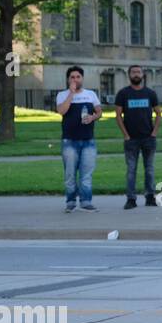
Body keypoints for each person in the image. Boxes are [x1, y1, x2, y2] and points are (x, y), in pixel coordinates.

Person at [114, 65, 162, 210]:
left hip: (148, 138)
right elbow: (118, 115)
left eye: (138, 72)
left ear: (142, 75)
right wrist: (126, 135)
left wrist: (154, 133)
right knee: (131, 170)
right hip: (131, 140)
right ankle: (131, 199)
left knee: (149, 169)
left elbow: (159, 113)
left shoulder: (150, 93)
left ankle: (150, 197)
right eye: (133, 72)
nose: (136, 74)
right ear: (129, 75)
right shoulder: (123, 94)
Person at [55, 66, 102, 213]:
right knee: (70, 173)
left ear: (82, 78)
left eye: (78, 77)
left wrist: (93, 117)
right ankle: (70, 202)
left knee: (86, 174)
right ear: (68, 79)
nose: (75, 79)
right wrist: (71, 93)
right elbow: (62, 111)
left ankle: (86, 201)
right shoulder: (62, 95)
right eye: (72, 77)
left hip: (88, 140)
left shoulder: (91, 94)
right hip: (69, 141)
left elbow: (99, 112)